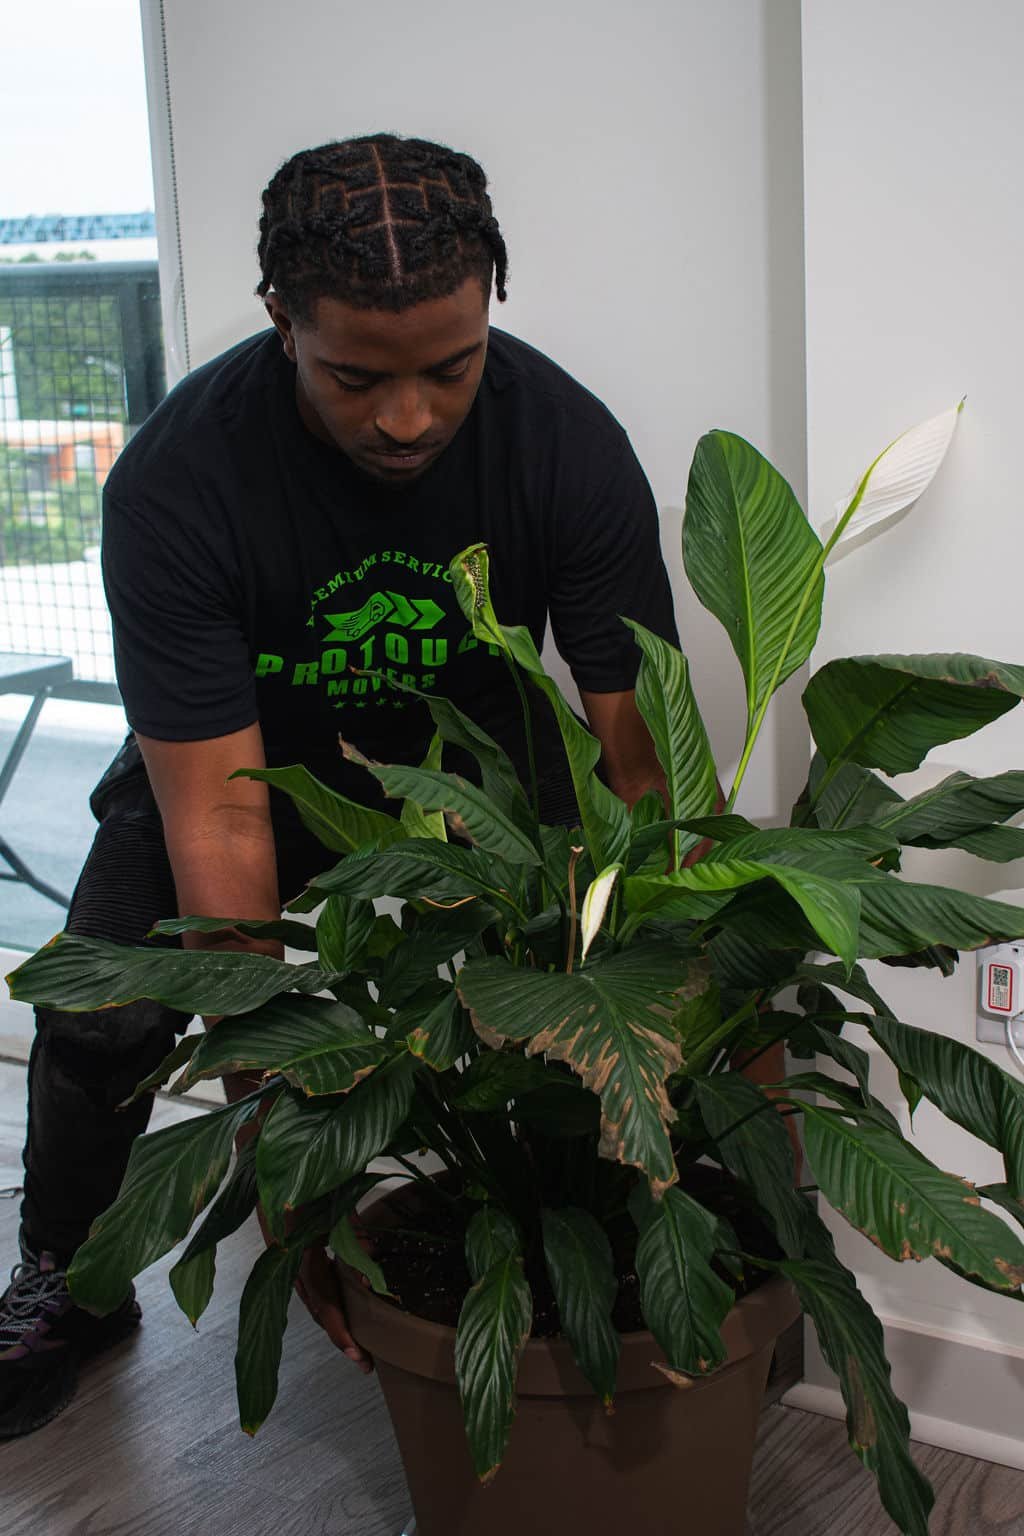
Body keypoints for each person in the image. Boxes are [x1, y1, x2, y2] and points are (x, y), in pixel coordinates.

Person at [0, 133, 679, 1439]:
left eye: (452, 369)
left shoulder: (568, 449)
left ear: (491, 304)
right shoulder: (181, 480)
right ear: (279, 320)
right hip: (245, 769)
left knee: (530, 1011)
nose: (410, 417)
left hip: (466, 787)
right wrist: (286, 1172)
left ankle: (556, 1246)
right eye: (357, 377)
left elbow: (639, 761)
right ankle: (67, 1274)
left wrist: (653, 995)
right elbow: (220, 816)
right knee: (97, 1008)